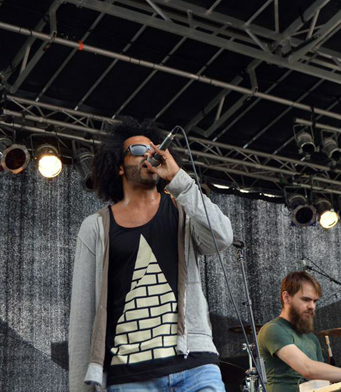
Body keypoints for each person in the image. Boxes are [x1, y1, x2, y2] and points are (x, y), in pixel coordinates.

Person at [68, 117, 233, 392]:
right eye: (136, 150)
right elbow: (82, 315)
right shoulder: (96, 227)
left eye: (152, 150)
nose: (147, 155)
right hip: (130, 376)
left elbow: (222, 238)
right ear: (119, 166)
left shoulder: (183, 210)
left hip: (195, 365)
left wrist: (179, 180)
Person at [258, 271, 341, 392]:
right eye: (306, 299)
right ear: (286, 297)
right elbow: (308, 369)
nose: (312, 306)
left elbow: (322, 379)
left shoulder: (311, 338)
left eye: (314, 301)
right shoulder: (273, 329)